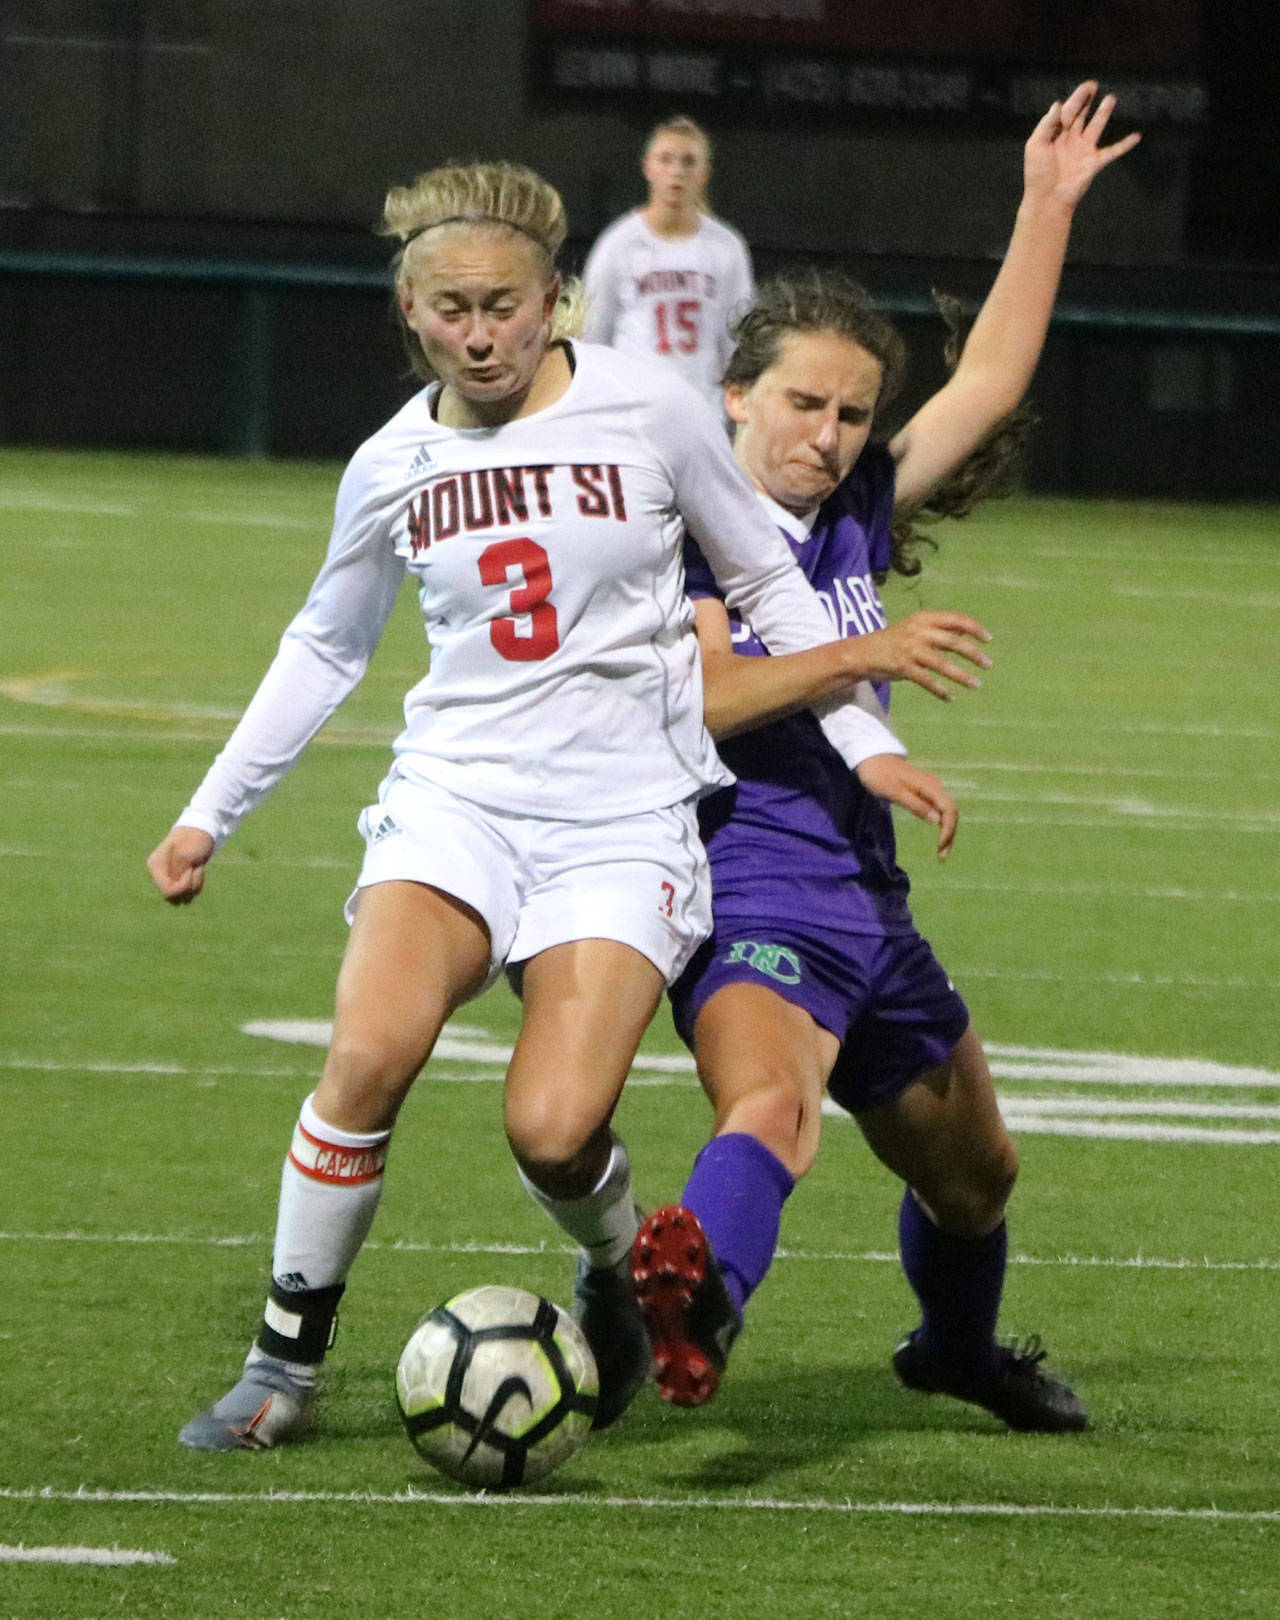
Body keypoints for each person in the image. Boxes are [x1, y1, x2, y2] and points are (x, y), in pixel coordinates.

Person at [147, 158, 973, 1450]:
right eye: (451, 309)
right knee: (366, 1058)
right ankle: (280, 1369)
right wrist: (210, 813)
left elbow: (768, 580)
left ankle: (613, 1273)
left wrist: (863, 744)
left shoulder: (650, 411)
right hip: (457, 799)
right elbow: (326, 645)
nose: (481, 334)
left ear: (555, 302)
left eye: (507, 305)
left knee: (552, 1127)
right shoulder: (392, 461)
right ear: (410, 313)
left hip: (624, 818)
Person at [630, 83, 1140, 1430]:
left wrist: (1045, 208)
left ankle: (955, 1352)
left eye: (854, 416)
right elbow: (699, 699)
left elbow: (990, 381)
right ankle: (691, 1302)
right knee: (773, 1108)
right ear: (732, 393)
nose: (830, 437)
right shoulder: (685, 526)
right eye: (804, 403)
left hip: (870, 895)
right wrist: (861, 658)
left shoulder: (851, 509)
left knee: (977, 1178)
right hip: (748, 877)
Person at [581, 115, 754, 410]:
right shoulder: (618, 244)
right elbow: (592, 337)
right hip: (634, 409)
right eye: (666, 159)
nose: (676, 172)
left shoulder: (726, 248)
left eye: (688, 162)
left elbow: (738, 342)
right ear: (648, 166)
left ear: (705, 173)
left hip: (703, 408)